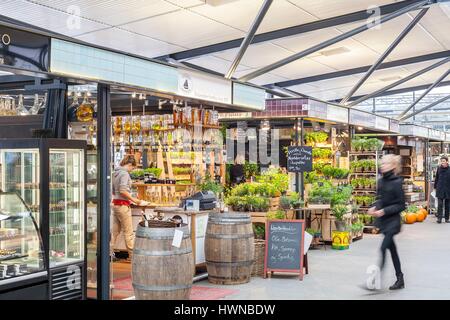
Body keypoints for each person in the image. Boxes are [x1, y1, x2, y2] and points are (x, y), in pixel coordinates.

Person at [368, 154, 405, 290]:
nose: (382, 166)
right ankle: (400, 278)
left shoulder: (397, 182)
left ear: (393, 166)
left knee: (383, 248)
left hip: (393, 222)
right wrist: (375, 207)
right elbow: (380, 199)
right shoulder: (380, 181)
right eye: (381, 163)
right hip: (383, 222)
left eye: (385, 164)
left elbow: (401, 205)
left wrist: (384, 211)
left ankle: (373, 280)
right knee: (392, 250)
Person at [111, 155, 144, 262]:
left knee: (114, 232)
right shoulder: (124, 174)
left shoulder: (115, 173)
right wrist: (134, 200)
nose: (132, 170)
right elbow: (123, 190)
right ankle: (133, 256)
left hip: (115, 204)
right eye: (132, 168)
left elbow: (114, 190)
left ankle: (108, 254)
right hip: (123, 205)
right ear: (129, 165)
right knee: (129, 232)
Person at [434, 156, 450, 223]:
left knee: (447, 205)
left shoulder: (449, 169)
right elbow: (436, 178)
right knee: (440, 204)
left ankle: (447, 218)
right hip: (440, 188)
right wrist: (435, 187)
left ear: (447, 161)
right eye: (441, 161)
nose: (442, 162)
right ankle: (439, 218)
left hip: (448, 189)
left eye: (443, 161)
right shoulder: (439, 169)